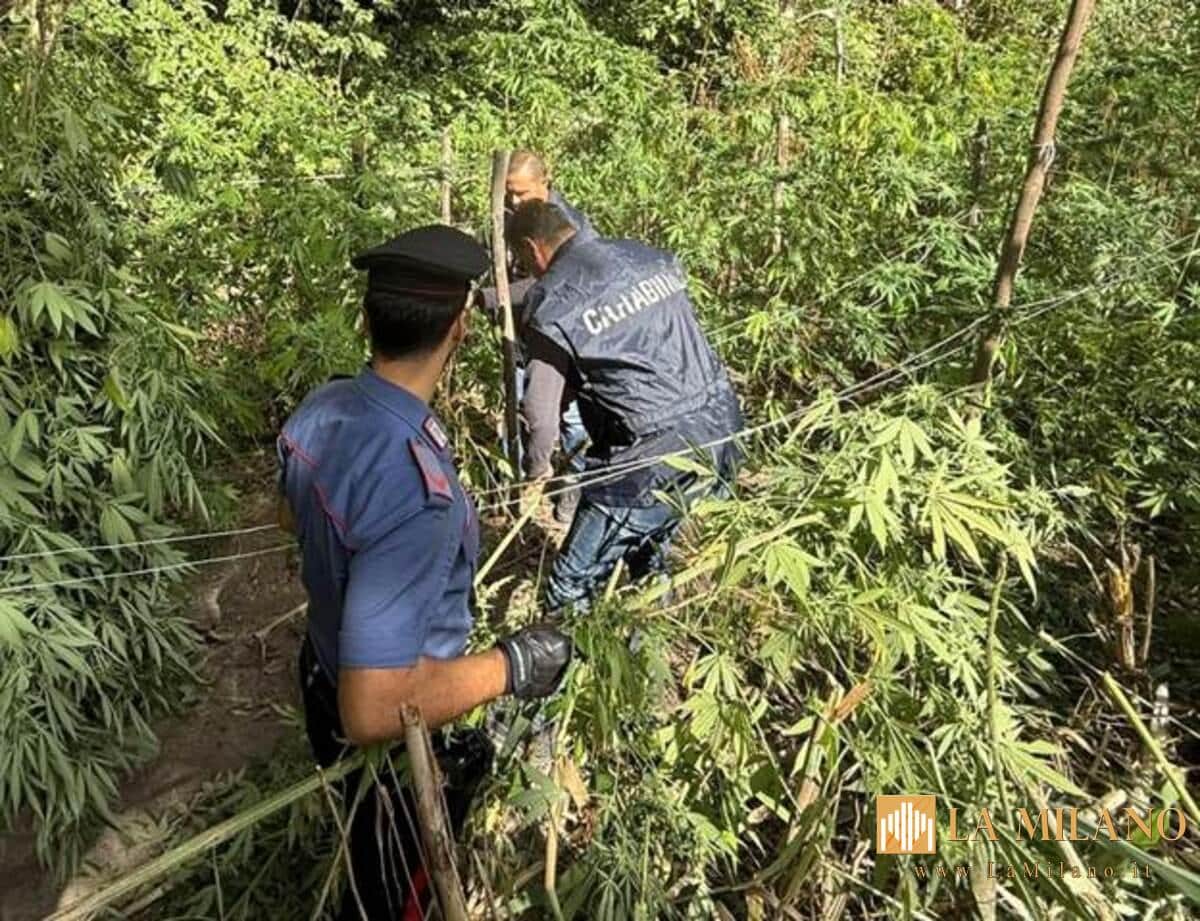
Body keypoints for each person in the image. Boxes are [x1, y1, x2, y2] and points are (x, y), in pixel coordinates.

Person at [276, 224, 572, 920]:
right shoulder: (417, 496)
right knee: (395, 892)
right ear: (462, 328)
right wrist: (512, 665)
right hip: (389, 729)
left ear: (366, 319)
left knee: (362, 842)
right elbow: (374, 707)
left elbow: (293, 521)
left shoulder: (321, 410)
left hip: (320, 664)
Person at [507, 200, 744, 614]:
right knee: (649, 558)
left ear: (532, 248)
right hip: (722, 430)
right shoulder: (644, 256)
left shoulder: (553, 303)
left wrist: (535, 471)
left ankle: (579, 671)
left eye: (523, 261)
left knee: (568, 586)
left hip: (647, 462)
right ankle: (647, 648)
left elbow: (541, 415)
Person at [480, 151, 595, 523]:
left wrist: (492, 297)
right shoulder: (502, 223)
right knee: (520, 415)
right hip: (523, 338)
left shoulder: (571, 227)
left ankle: (568, 494)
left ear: (546, 183)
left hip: (566, 342)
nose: (515, 202)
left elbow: (555, 282)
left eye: (523, 193)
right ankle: (508, 495)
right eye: (509, 194)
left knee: (575, 424)